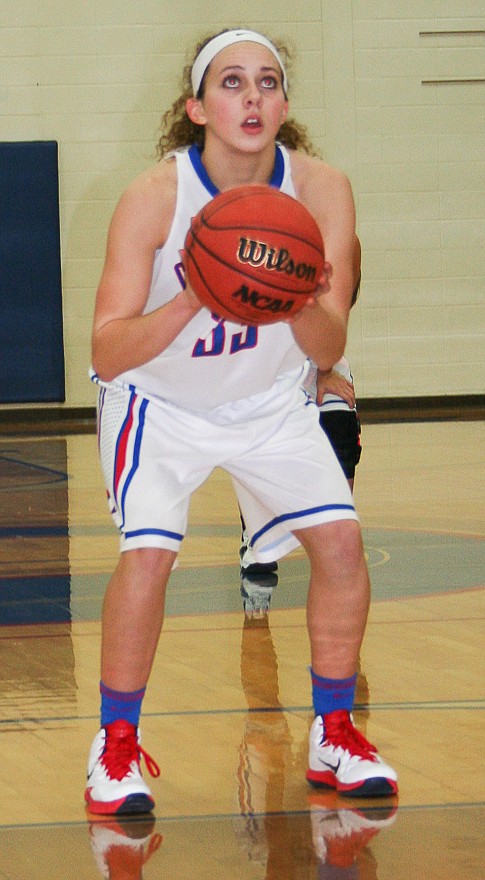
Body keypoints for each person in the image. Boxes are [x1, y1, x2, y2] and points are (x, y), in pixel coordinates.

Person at [86, 27, 398, 815]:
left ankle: (334, 733)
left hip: (265, 403)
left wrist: (295, 298)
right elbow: (109, 350)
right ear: (195, 107)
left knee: (339, 540)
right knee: (151, 554)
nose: (251, 96)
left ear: (284, 105)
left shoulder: (321, 188)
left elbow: (329, 346)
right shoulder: (156, 196)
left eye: (266, 82)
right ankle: (115, 748)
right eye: (230, 82)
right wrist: (196, 292)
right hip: (159, 403)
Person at [240, 248, 362, 577]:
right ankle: (254, 535)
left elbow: (340, 308)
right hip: (269, 358)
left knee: (341, 423)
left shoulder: (343, 237)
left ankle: (337, 525)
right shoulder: (256, 236)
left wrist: (323, 367)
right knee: (256, 448)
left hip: (320, 351)